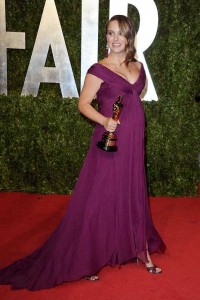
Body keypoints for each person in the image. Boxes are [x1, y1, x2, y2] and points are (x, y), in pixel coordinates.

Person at [0, 15, 165, 291]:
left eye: (120, 34)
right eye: (110, 33)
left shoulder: (138, 66)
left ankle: (139, 250)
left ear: (129, 37)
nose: (115, 39)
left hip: (134, 144)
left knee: (131, 191)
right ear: (106, 37)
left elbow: (133, 100)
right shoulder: (97, 69)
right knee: (99, 198)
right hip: (110, 142)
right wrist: (104, 121)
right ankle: (86, 258)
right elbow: (84, 104)